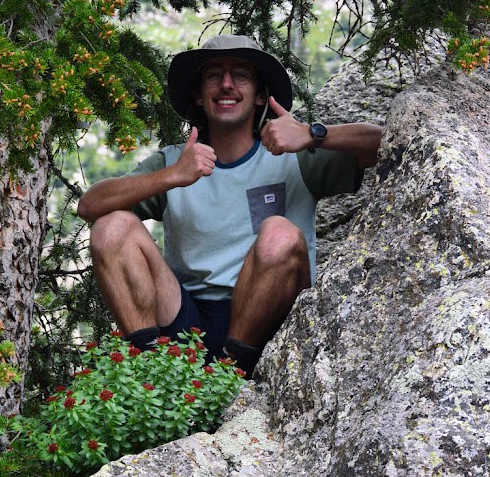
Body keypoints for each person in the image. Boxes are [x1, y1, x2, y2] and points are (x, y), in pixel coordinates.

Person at [77, 35, 382, 376]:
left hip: (265, 321)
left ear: (261, 95)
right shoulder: (177, 161)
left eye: (240, 75)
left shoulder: (295, 155)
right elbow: (90, 206)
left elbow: (387, 141)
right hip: (184, 317)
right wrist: (172, 176)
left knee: (279, 232)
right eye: (213, 76)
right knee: (112, 225)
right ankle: (153, 373)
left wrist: (313, 134)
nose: (226, 85)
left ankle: (231, 378)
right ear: (198, 94)